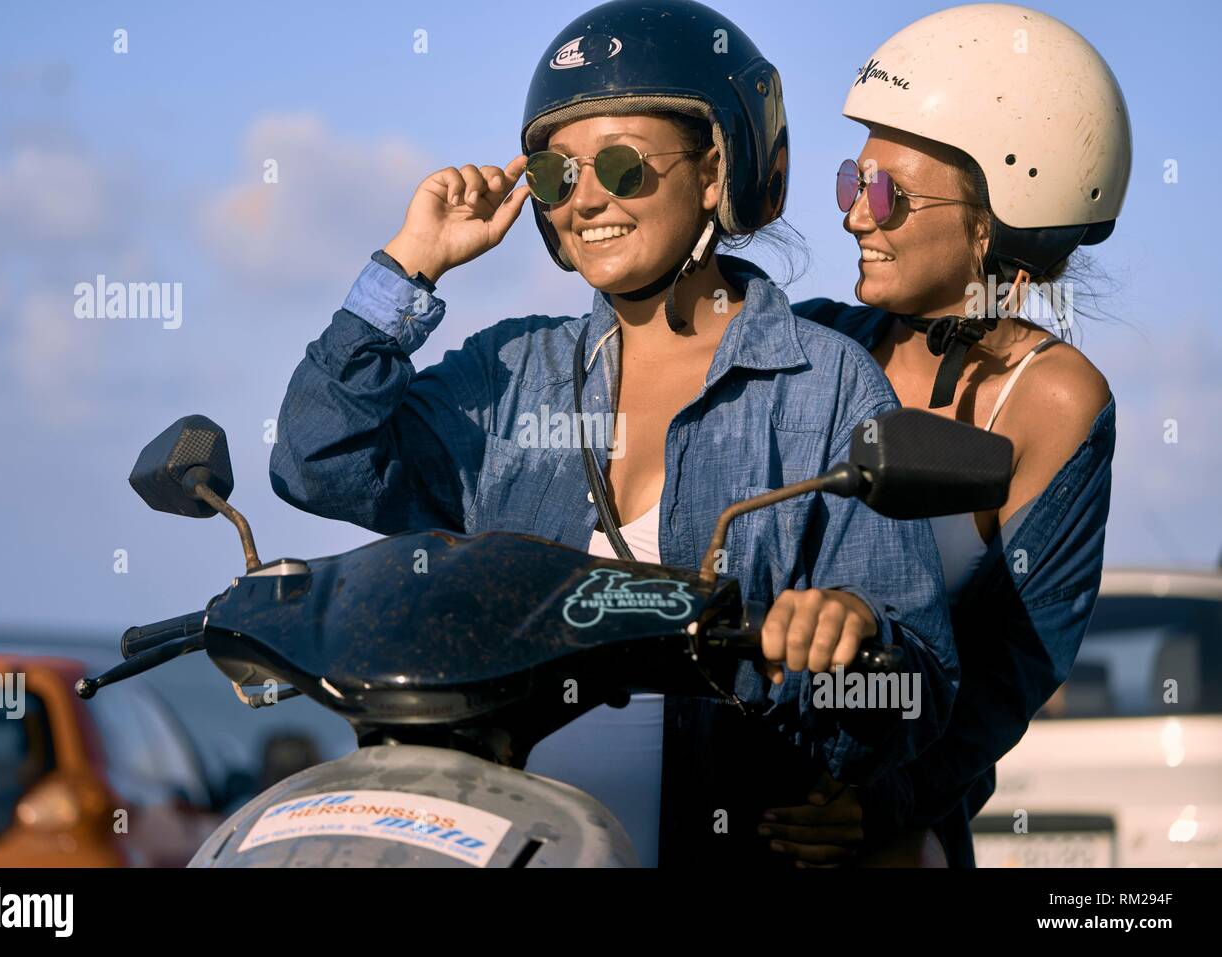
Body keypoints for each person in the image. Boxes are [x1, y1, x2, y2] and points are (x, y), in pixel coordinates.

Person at [268, 0, 956, 867]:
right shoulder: (508, 375)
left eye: (625, 167)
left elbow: (920, 690)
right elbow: (315, 459)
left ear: (716, 171)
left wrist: (854, 629)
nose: (585, 197)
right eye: (556, 176)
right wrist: (411, 262)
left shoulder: (822, 385)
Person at [760, 2, 1129, 867]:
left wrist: (879, 800)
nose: (856, 215)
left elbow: (1010, 671)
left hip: (883, 826)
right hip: (736, 786)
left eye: (885, 193)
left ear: (998, 216)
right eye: (853, 181)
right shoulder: (812, 342)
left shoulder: (1051, 403)